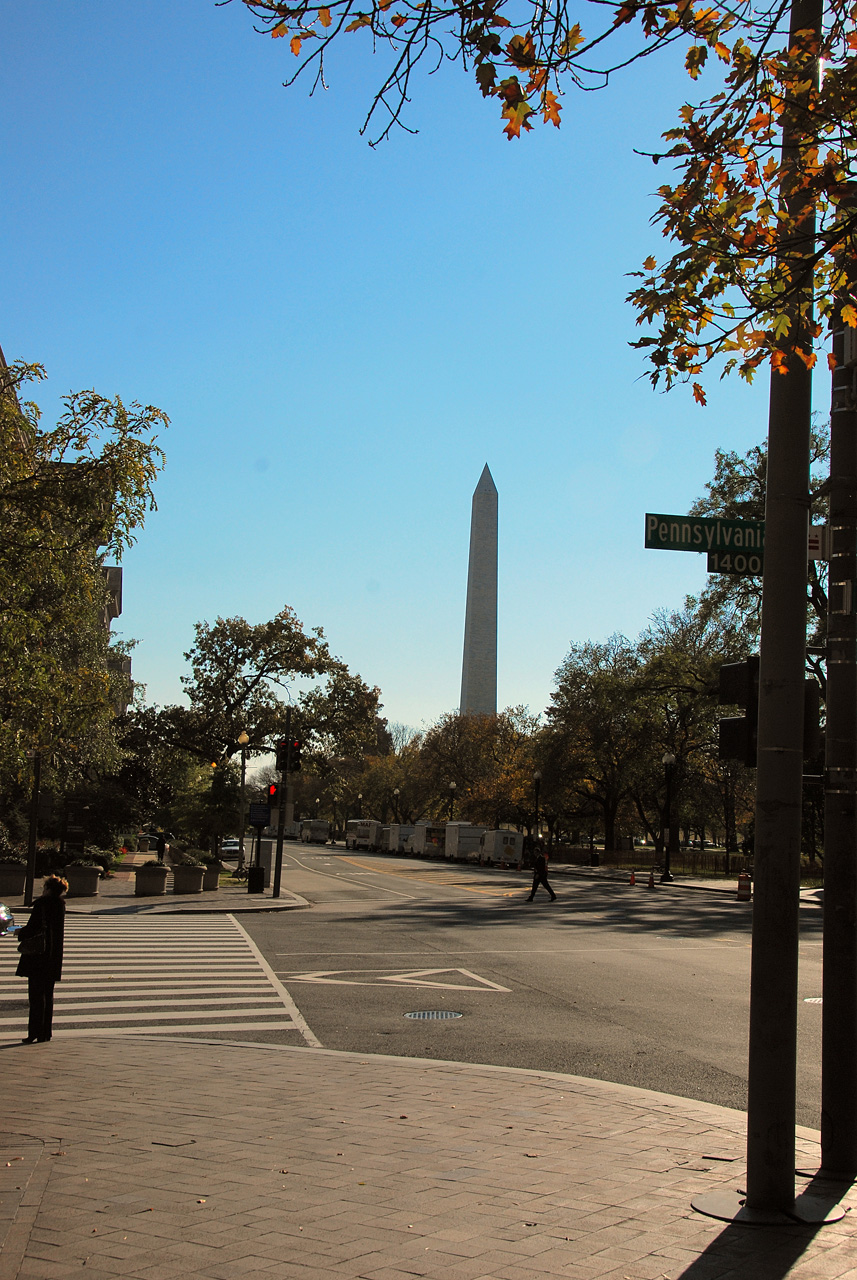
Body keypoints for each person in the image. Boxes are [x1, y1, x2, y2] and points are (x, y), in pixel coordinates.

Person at [16, 875, 67, 1043]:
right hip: (52, 955)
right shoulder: (60, 905)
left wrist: (20, 932)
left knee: (36, 995)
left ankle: (34, 1032)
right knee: (48, 994)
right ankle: (45, 1032)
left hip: (38, 956)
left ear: (48, 889)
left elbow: (33, 928)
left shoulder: (41, 905)